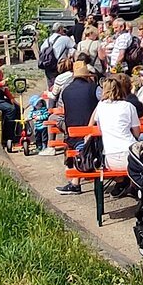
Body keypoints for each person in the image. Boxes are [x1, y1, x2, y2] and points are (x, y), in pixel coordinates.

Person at [56, 56, 101, 195]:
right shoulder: (95, 89)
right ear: (87, 76)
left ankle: (75, 183)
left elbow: (63, 109)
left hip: (72, 135)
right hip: (92, 134)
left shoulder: (66, 91)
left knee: (65, 131)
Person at [90, 76, 141, 171]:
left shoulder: (101, 106)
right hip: (130, 153)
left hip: (110, 156)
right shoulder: (129, 106)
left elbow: (99, 128)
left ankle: (121, 183)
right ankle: (132, 185)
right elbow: (137, 133)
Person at [39, 24, 75, 89]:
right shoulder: (65, 39)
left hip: (48, 65)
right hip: (60, 66)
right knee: (62, 86)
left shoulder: (47, 40)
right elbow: (75, 47)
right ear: (60, 29)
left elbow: (41, 51)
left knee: (51, 86)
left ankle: (52, 96)